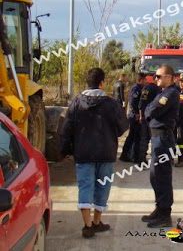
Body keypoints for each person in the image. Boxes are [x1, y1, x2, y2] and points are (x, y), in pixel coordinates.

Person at [61, 68, 129, 238]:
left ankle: (87, 225)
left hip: (83, 154)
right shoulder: (112, 104)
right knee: (102, 186)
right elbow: (123, 126)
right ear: (102, 82)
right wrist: (112, 135)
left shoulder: (76, 103)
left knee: (85, 186)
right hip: (106, 153)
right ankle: (97, 223)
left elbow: (66, 129)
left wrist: (66, 150)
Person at [142, 65, 180, 228]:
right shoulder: (163, 93)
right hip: (158, 138)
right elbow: (148, 109)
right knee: (155, 176)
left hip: (164, 139)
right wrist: (149, 110)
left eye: (158, 76)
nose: (155, 79)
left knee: (162, 176)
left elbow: (152, 110)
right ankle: (159, 208)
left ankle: (165, 214)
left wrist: (149, 111)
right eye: (155, 76)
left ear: (169, 77)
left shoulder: (170, 93)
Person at [120, 73, 148, 162]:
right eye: (145, 80)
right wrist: (137, 114)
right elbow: (133, 102)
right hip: (134, 116)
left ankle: (126, 155)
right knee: (136, 136)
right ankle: (135, 157)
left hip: (134, 115)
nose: (146, 81)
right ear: (141, 80)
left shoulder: (139, 88)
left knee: (132, 136)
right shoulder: (136, 88)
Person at [138, 74, 161, 164]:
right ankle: (155, 160)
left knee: (144, 138)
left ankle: (141, 159)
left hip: (144, 116)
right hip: (153, 117)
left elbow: (140, 103)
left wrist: (140, 116)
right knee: (154, 138)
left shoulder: (144, 88)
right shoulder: (156, 89)